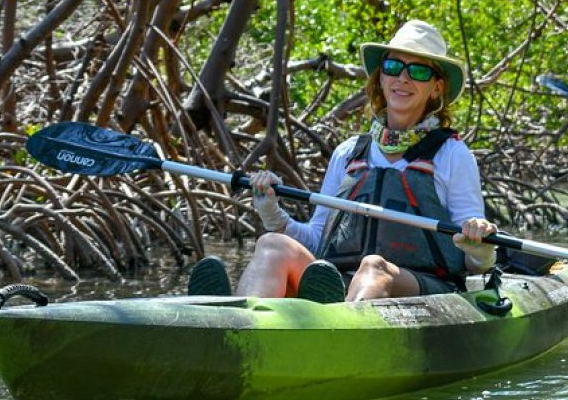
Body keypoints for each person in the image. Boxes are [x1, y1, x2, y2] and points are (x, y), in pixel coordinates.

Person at [189, 20, 497, 303]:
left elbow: (474, 263)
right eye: (393, 66)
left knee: (374, 268)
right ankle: (239, 321)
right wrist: (271, 211)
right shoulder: (349, 153)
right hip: (341, 282)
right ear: (381, 76)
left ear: (436, 88)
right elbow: (318, 239)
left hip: (423, 287)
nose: (402, 78)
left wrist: (479, 245)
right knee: (272, 245)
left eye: (418, 71)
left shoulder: (452, 155)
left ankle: (336, 330)